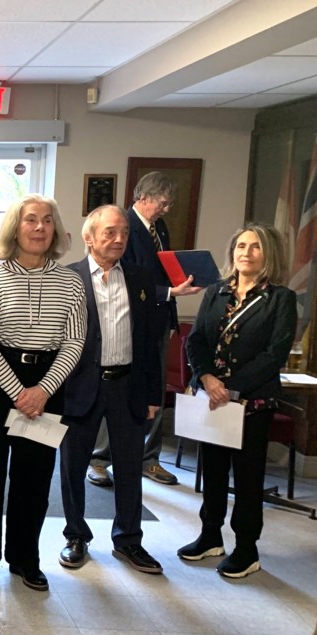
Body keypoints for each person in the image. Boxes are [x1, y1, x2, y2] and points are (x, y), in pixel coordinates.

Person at [0, 194, 85, 592]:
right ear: (15, 228)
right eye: (30, 220)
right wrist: (19, 391)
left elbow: (75, 341)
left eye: (46, 220)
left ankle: (24, 559)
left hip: (50, 384)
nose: (38, 227)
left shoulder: (70, 281)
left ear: (55, 229)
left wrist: (42, 390)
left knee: (34, 480)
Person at [180, 223, 295, 579]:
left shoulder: (280, 298)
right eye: (241, 245)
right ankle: (210, 536)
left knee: (247, 479)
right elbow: (196, 340)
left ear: (269, 254)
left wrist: (230, 387)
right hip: (212, 398)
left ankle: (246, 548)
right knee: (212, 473)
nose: (245, 252)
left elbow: (274, 354)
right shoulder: (216, 292)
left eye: (255, 247)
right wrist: (207, 379)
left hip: (251, 403)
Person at [58, 205, 163, 575]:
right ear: (89, 238)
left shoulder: (140, 278)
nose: (119, 239)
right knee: (72, 467)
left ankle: (129, 539)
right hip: (80, 387)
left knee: (130, 467)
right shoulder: (67, 279)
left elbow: (151, 341)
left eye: (124, 233)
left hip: (128, 386)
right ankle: (76, 536)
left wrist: (154, 395)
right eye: (110, 233)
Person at [89, 171, 202, 487]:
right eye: (163, 203)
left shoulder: (159, 228)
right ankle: (99, 458)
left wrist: (175, 293)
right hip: (129, 321)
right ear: (144, 197)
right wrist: (169, 293)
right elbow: (122, 278)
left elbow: (161, 271)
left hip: (160, 319)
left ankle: (148, 459)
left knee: (155, 389)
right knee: (117, 391)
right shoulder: (122, 227)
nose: (166, 209)